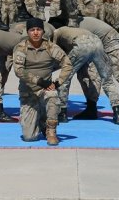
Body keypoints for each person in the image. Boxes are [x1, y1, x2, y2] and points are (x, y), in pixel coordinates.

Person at [13, 17, 73, 145]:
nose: (35, 33)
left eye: (39, 29)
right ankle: (40, 120)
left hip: (45, 90)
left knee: (53, 94)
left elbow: (67, 64)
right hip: (28, 93)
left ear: (43, 32)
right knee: (29, 137)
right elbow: (18, 70)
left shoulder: (50, 47)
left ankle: (51, 130)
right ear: (27, 32)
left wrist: (57, 83)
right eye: (32, 30)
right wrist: (39, 81)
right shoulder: (21, 48)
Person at [51, 23, 119, 125]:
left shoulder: (56, 32)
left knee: (65, 78)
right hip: (97, 42)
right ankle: (118, 113)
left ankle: (62, 113)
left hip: (82, 45)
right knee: (107, 79)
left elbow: (54, 53)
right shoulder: (74, 30)